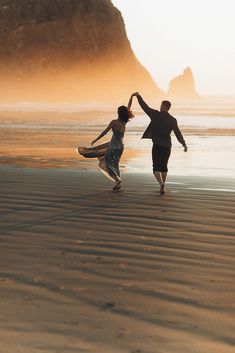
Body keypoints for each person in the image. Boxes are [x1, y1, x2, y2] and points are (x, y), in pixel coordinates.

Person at [132, 92, 187, 195]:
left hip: (157, 144)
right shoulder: (173, 120)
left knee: (156, 167)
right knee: (164, 166)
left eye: (161, 105)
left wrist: (138, 96)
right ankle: (163, 184)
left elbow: (145, 107)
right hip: (167, 146)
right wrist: (184, 144)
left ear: (163, 106)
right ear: (169, 108)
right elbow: (178, 134)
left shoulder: (155, 114)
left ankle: (161, 184)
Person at [78, 95, 134, 191]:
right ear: (125, 114)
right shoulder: (124, 122)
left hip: (112, 146)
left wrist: (96, 140)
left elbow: (104, 132)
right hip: (120, 147)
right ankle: (117, 183)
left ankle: (117, 180)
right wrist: (132, 96)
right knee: (113, 164)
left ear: (118, 113)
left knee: (106, 162)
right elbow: (129, 108)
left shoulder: (114, 122)